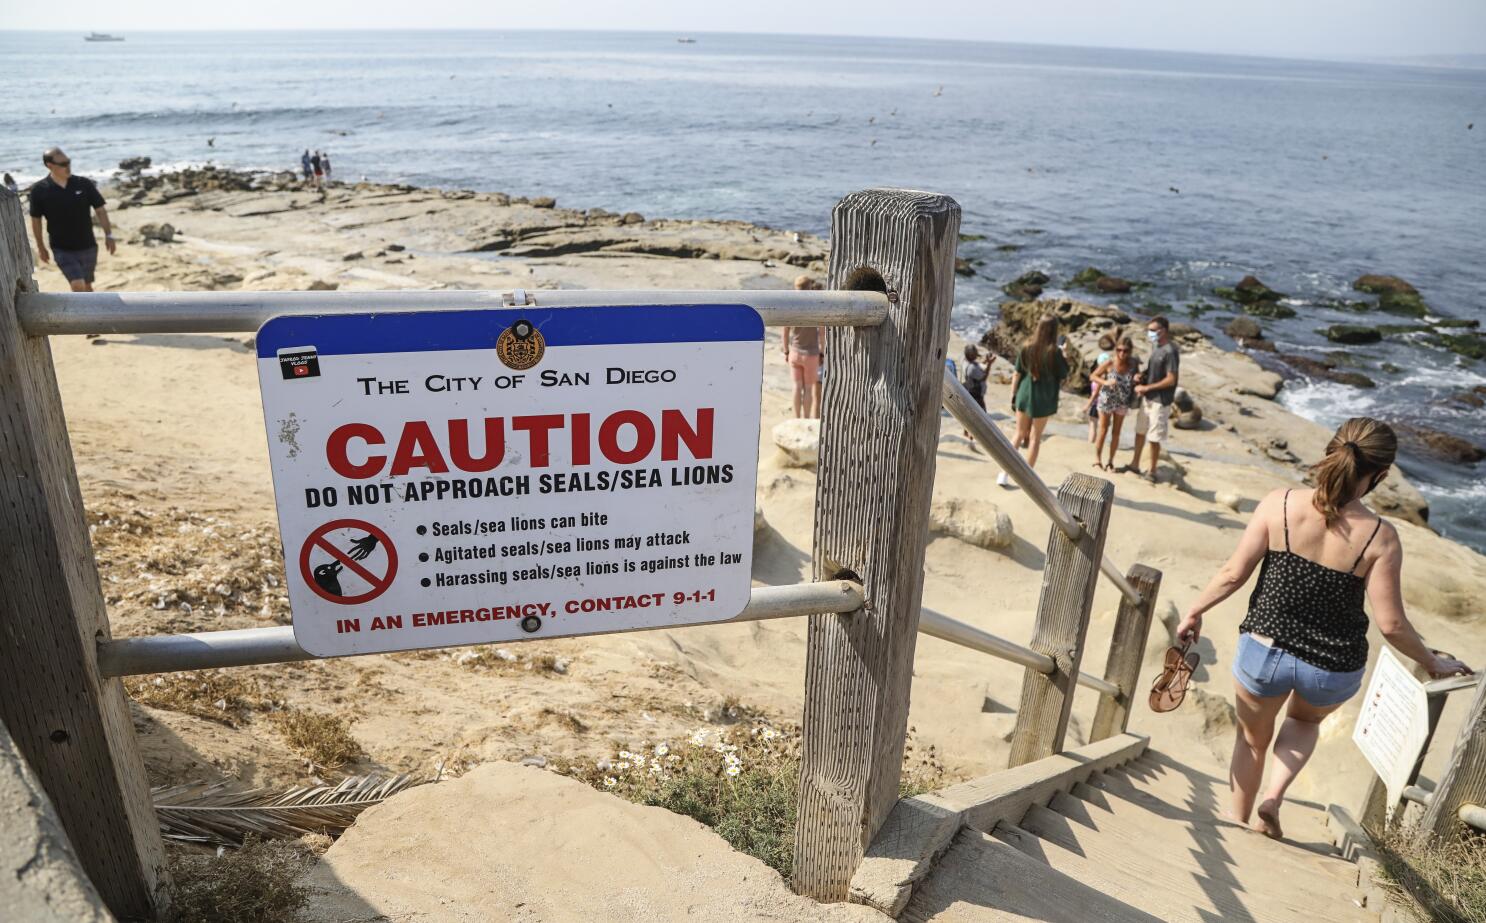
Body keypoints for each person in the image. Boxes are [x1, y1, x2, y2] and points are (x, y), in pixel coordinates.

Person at [1176, 418, 1471, 840]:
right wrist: (1431, 661)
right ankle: (1273, 798)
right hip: (1331, 666)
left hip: (1265, 648)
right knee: (1304, 724)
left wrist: (1195, 610)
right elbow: (1391, 624)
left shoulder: (1279, 504)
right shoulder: (1380, 537)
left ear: (1331, 450)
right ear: (1382, 475)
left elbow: (1232, 573)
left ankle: (1237, 825)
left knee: (1251, 741)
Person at [27, 148, 116, 293]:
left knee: (87, 285)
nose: (68, 166)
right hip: (61, 248)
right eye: (63, 164)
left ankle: (92, 312)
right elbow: (36, 220)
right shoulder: (39, 190)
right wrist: (41, 246)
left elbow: (100, 210)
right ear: (50, 165)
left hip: (88, 246)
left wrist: (109, 235)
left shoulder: (83, 184)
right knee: (77, 284)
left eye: (68, 162)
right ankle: (81, 316)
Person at [999, 316, 1069, 487]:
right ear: (1054, 331)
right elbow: (1064, 375)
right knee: (1035, 438)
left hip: (1025, 394)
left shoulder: (1027, 347)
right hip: (1043, 399)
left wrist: (1013, 394)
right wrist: (1064, 354)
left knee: (1018, 434)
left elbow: (1017, 373)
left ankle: (1003, 473)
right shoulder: (1055, 352)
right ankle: (1026, 478)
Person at [1124, 315, 1179, 483]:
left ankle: (1152, 470)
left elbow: (1171, 379)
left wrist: (1147, 387)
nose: (1150, 333)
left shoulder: (1170, 351)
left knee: (1154, 436)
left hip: (1160, 400)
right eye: (1149, 330)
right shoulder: (1156, 347)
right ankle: (1135, 464)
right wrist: (1142, 376)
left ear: (1164, 331)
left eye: (1153, 330)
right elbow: (1153, 371)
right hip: (1147, 397)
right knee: (1140, 431)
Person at [1090, 337, 1138, 471]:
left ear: (1130, 351)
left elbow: (1136, 377)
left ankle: (1110, 461)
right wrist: (1105, 382)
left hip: (1123, 401)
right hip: (1107, 399)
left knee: (1116, 432)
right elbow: (1093, 376)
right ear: (1116, 349)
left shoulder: (1133, 364)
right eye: (1119, 350)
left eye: (1125, 351)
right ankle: (1097, 460)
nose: (1122, 354)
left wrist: (1137, 379)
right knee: (1103, 430)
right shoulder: (1110, 362)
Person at [780, 275, 824, 419]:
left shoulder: (791, 307)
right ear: (809, 287)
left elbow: (785, 332)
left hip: (794, 352)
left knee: (796, 387)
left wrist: (786, 351)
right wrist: (822, 352)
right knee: (809, 388)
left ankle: (796, 418)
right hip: (811, 354)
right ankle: (805, 419)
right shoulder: (816, 307)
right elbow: (822, 334)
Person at [1084, 332, 1116, 442]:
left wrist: (1087, 405)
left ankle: (1090, 443)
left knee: (1093, 425)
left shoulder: (1100, 378)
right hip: (1105, 404)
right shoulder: (1108, 377)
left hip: (1096, 404)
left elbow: (1095, 393)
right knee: (1101, 426)